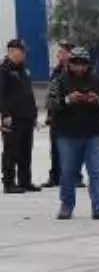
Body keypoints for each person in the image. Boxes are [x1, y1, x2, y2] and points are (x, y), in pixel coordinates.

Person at [45, 46, 99, 220]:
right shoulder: (59, 80)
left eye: (83, 64)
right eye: (76, 64)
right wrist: (68, 100)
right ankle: (66, 206)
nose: (79, 68)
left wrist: (97, 100)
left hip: (94, 133)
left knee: (97, 172)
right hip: (67, 134)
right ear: (70, 63)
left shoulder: (97, 80)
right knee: (68, 171)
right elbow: (50, 103)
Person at [0, 38, 40, 193]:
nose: (20, 54)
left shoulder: (24, 70)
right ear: (10, 52)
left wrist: (34, 113)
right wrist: (5, 114)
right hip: (11, 118)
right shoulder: (4, 70)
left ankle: (25, 181)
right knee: (11, 150)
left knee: (25, 151)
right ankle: (8, 183)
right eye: (17, 51)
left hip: (26, 116)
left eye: (22, 52)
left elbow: (29, 94)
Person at [44, 42, 83, 189]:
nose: (58, 55)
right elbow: (50, 96)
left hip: (74, 116)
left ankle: (76, 177)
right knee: (55, 149)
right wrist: (49, 114)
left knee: (75, 148)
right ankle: (55, 176)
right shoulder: (56, 72)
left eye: (61, 52)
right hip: (57, 116)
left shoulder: (79, 73)